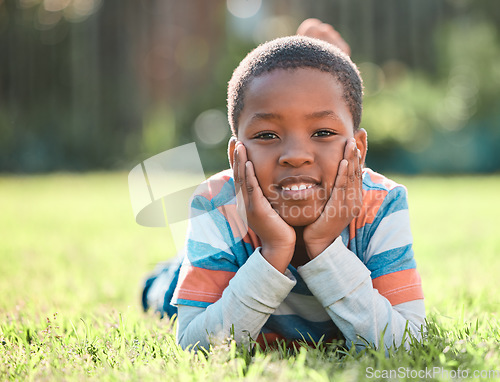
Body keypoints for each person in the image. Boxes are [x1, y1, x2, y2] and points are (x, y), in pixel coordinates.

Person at [142, 20, 425, 351]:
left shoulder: (381, 204)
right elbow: (196, 346)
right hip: (216, 270)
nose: (295, 156)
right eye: (266, 135)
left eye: (322, 132)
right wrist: (273, 252)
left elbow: (408, 343)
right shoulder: (215, 204)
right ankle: (169, 272)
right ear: (236, 154)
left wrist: (322, 245)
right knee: (166, 290)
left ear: (358, 149)